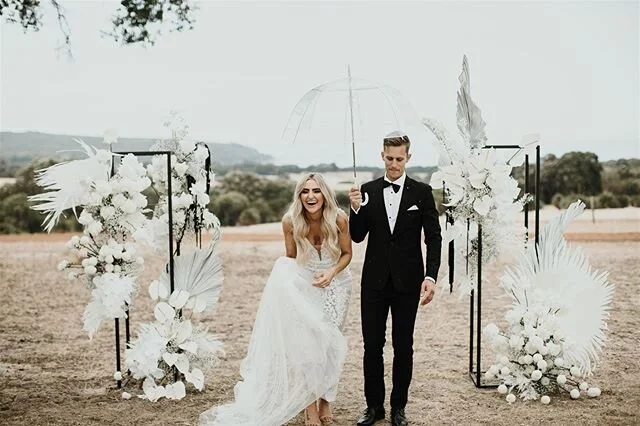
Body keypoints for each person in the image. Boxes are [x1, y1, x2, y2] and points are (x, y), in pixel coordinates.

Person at [200, 173, 353, 426]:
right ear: (299, 195)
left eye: (316, 191)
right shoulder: (290, 221)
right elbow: (291, 260)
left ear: (325, 194)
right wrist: (292, 292)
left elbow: (347, 254)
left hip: (337, 284)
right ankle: (309, 406)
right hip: (306, 284)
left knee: (329, 345)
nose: (311, 196)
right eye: (305, 191)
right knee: (307, 347)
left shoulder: (338, 218)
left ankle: (326, 398)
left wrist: (331, 272)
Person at [349, 132, 442, 426]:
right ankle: (373, 407)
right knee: (372, 346)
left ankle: (398, 408)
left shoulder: (422, 193)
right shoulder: (367, 190)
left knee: (403, 347)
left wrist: (430, 276)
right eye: (389, 158)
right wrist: (355, 209)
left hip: (408, 282)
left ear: (408, 158)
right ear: (382, 156)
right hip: (373, 283)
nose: (393, 164)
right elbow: (357, 236)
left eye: (399, 159)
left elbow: (434, 238)